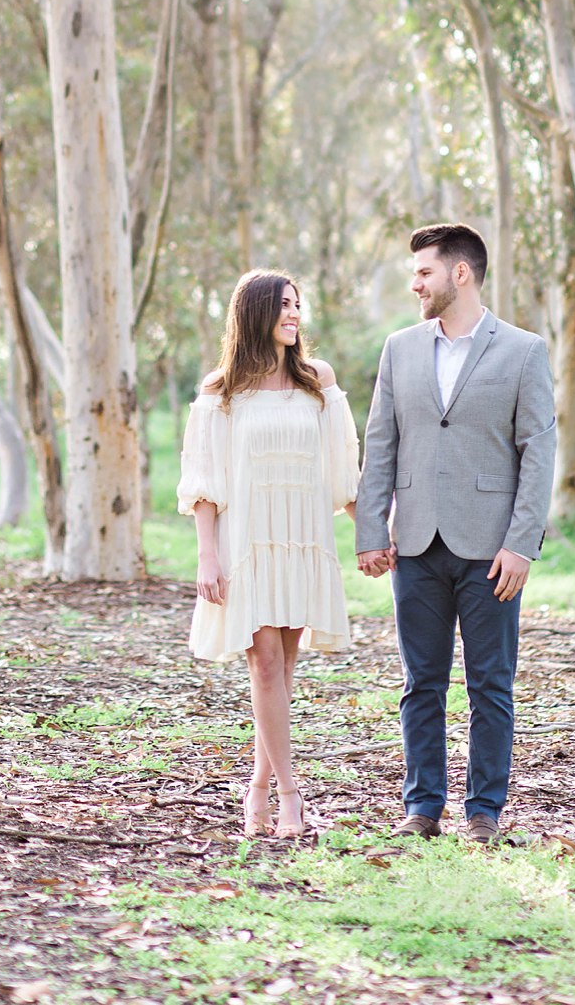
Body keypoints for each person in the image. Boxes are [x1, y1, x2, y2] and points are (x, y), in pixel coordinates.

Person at [355, 222, 556, 845]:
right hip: (413, 545)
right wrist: (370, 529)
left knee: (490, 685)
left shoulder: (524, 352)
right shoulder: (400, 349)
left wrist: (522, 544)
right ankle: (422, 807)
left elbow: (538, 452)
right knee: (422, 683)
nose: (416, 283)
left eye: (424, 272)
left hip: (491, 551)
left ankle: (483, 813)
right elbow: (381, 443)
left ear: (459, 273)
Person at [178, 270, 360, 839]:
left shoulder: (317, 381)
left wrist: (374, 533)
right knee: (263, 664)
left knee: (282, 672)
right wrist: (208, 557)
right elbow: (204, 479)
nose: (294, 315)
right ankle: (289, 796)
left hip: (301, 537)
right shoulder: (221, 389)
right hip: (248, 539)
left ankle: (257, 785)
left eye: (298, 305)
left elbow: (343, 467)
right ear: (255, 312)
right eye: (284, 305)